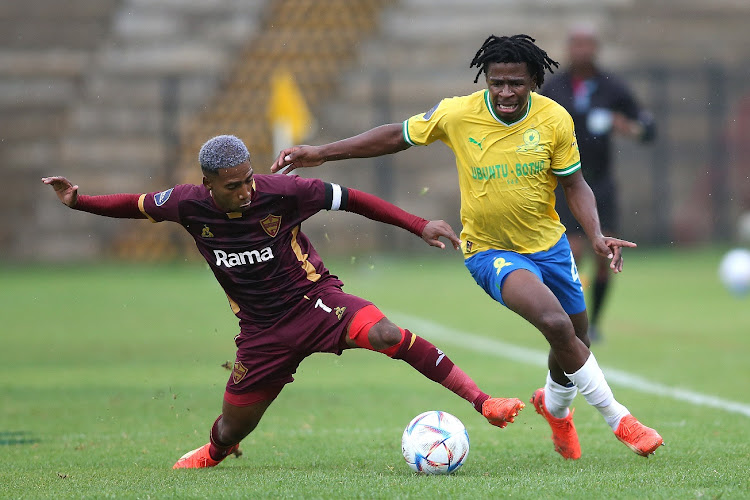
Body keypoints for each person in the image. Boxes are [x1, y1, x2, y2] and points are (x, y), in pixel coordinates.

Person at [273, 34, 663, 460]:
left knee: (575, 336)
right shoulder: (458, 112)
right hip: (489, 251)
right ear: (486, 80)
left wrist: (597, 234)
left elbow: (575, 184)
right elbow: (394, 136)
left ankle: (556, 409)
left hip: (549, 246)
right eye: (497, 83)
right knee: (555, 322)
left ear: (534, 80)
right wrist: (322, 153)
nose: (505, 92)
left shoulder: (555, 119)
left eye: (516, 83)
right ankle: (620, 419)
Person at [42, 135, 524, 470]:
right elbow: (135, 204)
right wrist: (78, 201)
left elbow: (354, 198)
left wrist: (418, 225)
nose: (246, 190)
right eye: (233, 185)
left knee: (386, 333)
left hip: (315, 303)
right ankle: (216, 450)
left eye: (249, 178)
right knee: (233, 427)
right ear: (208, 185)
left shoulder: (284, 192)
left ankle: (483, 403)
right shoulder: (185, 204)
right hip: (262, 334)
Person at [541, 25, 656, 341]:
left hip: (601, 184)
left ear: (596, 49)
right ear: (568, 49)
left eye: (587, 44)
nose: (582, 50)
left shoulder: (612, 87)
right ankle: (568, 320)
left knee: (605, 256)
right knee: (573, 253)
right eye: (576, 44)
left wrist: (627, 127)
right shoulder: (554, 88)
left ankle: (595, 324)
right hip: (565, 183)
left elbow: (648, 129)